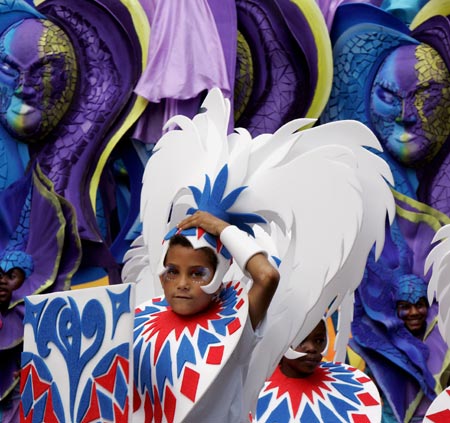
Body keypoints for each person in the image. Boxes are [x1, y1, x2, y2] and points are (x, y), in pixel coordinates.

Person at [350, 271, 450, 422]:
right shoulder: (381, 349)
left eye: (420, 305)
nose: (414, 312)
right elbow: (367, 395)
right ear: (394, 310)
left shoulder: (442, 343)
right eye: (405, 306)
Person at [253, 319, 382, 422]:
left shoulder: (352, 390)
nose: (312, 348)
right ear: (281, 341)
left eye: (319, 341)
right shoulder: (251, 391)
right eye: (301, 340)